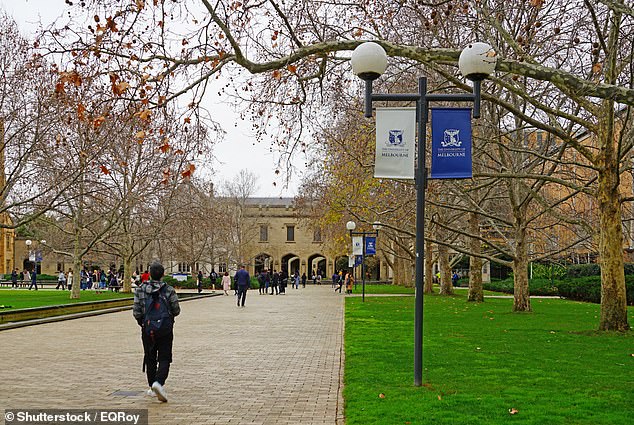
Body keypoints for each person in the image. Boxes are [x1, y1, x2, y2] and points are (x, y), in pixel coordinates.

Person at [133, 260, 180, 403]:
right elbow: (176, 310)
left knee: (150, 357)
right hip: (165, 328)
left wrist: (143, 321)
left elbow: (136, 311)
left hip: (147, 328)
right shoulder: (169, 289)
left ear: (149, 274)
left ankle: (152, 385)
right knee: (165, 357)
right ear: (163, 274)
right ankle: (158, 382)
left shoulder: (140, 289)